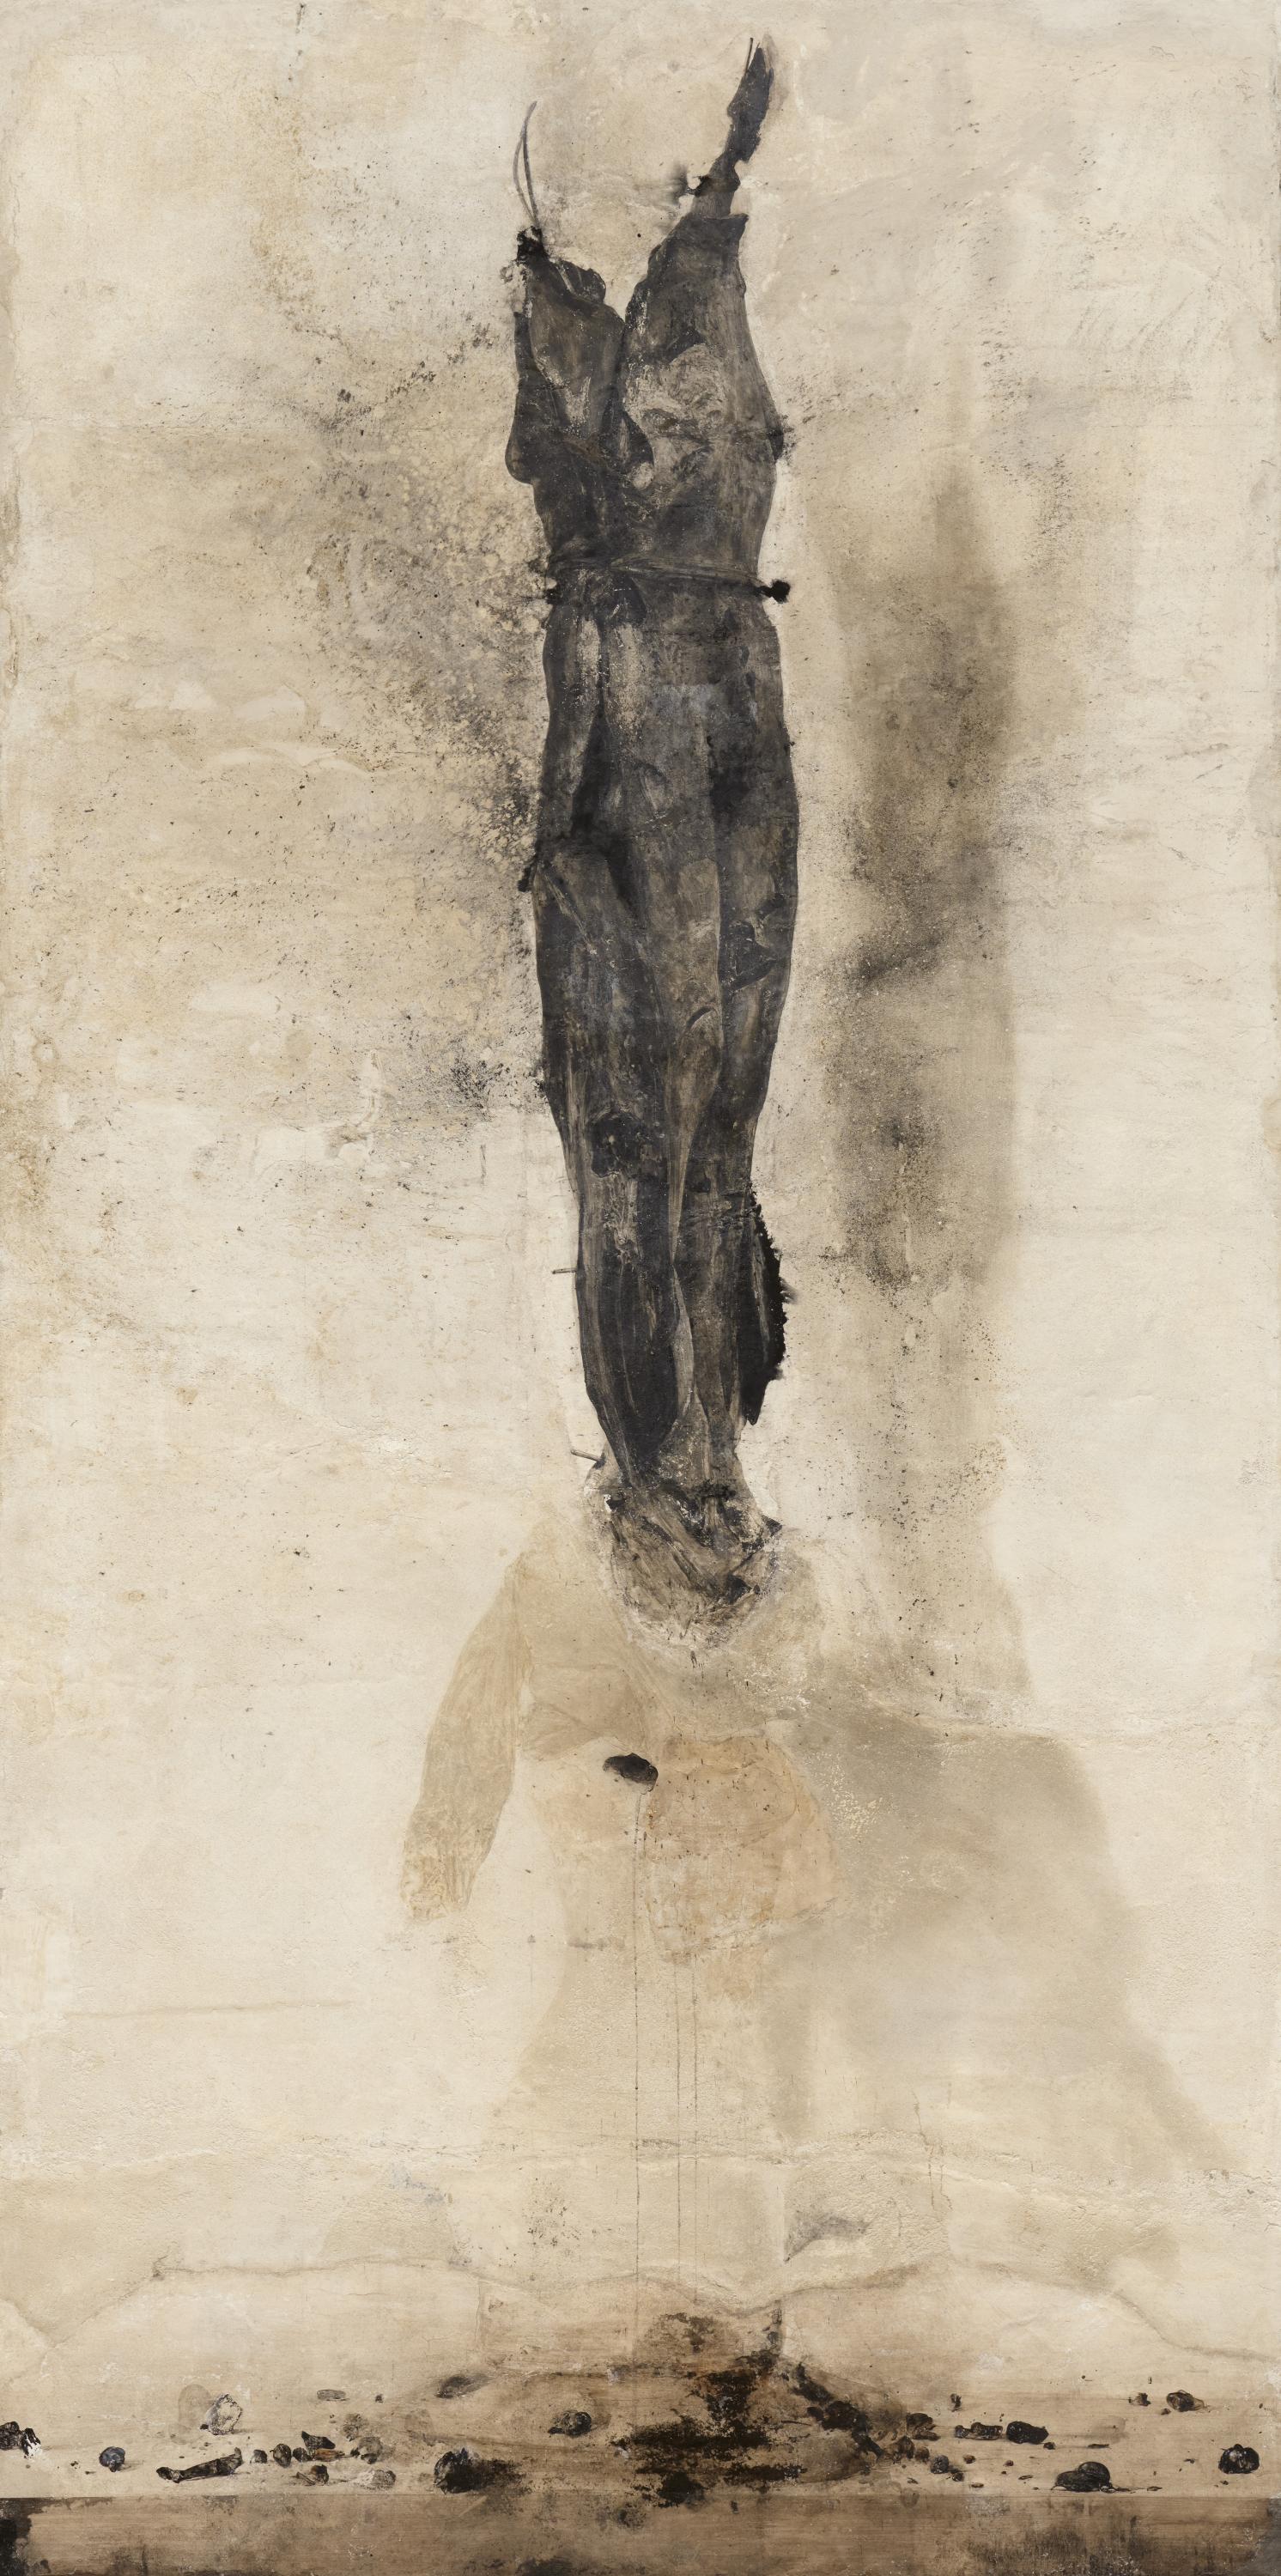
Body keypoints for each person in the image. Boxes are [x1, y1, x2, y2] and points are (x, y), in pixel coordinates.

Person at [507, 45, 797, 1598]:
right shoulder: (583, 338)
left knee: (715, 1130)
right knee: (652, 1141)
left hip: (725, 674)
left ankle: (709, 1460)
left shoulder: (689, 281)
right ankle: (672, 1470)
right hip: (644, 692)